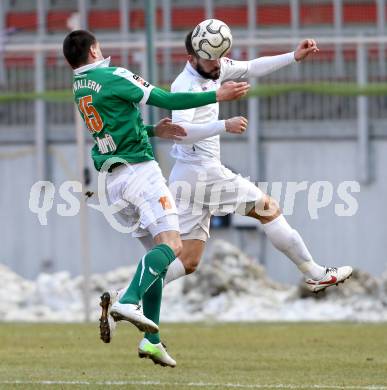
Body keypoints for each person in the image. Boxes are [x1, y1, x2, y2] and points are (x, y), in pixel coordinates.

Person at [62, 29, 249, 368]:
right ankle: (126, 300)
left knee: (156, 261)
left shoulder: (79, 87)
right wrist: (217, 95)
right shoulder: (112, 75)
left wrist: (152, 131)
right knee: (174, 245)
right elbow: (166, 98)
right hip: (139, 174)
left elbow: (114, 131)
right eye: (99, 45)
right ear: (93, 51)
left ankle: (151, 340)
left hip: (112, 180)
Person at [162, 32, 352, 294]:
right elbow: (180, 133)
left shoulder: (214, 68)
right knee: (267, 208)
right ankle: (315, 273)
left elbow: (252, 67)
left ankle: (127, 295)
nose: (218, 64)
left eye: (220, 57)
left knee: (189, 259)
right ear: (191, 59)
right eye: (210, 60)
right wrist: (223, 125)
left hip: (186, 176)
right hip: (201, 170)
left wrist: (294, 57)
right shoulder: (184, 86)